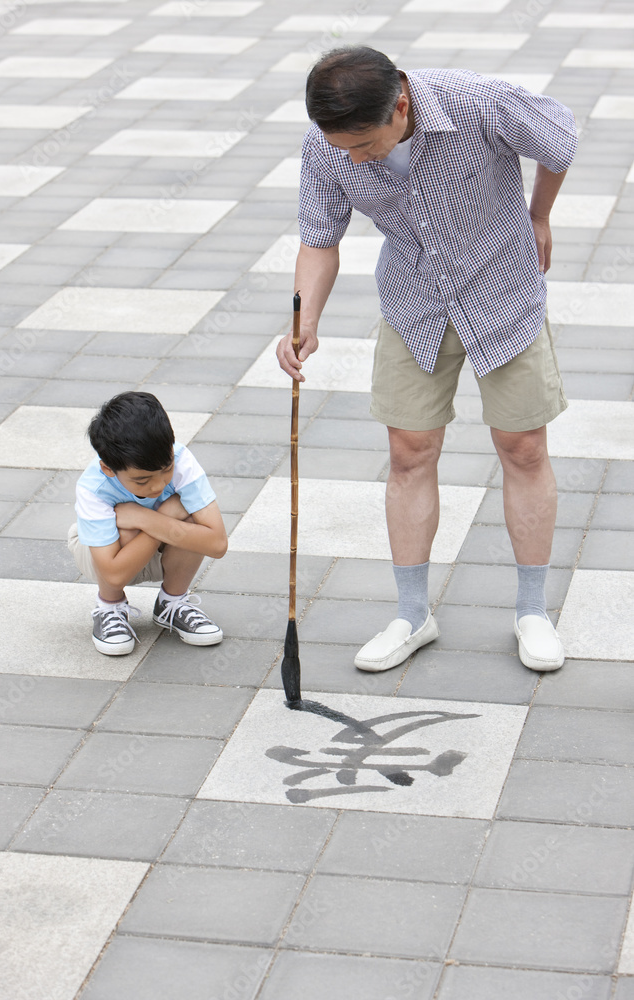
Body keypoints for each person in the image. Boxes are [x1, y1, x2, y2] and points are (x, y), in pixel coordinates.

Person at [276, 47, 577, 674]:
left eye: (363, 145)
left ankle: (532, 611)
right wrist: (304, 323)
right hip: (414, 299)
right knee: (408, 450)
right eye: (342, 147)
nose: (352, 158)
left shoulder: (480, 104)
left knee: (523, 447)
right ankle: (412, 614)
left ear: (401, 107)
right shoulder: (327, 142)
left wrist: (540, 215)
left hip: (503, 287)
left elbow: (560, 143)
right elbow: (319, 238)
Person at [68, 391, 227, 655]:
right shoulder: (93, 487)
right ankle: (110, 606)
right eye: (142, 481)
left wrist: (145, 517)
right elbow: (114, 573)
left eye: (166, 470)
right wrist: (164, 517)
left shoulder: (182, 461)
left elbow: (218, 544)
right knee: (128, 528)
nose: (157, 485)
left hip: (160, 552)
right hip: (104, 557)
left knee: (189, 520)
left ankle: (171, 603)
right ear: (108, 468)